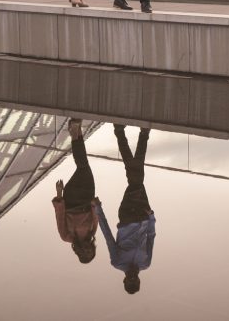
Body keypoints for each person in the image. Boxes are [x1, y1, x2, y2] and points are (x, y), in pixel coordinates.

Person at [93, 125, 155, 294]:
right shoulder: (146, 262)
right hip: (144, 214)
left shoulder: (117, 261)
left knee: (136, 179)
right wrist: (152, 218)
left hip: (127, 215)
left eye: (130, 279)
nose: (133, 275)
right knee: (136, 178)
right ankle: (124, 131)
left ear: (124, 279)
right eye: (135, 279)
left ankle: (141, 133)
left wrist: (98, 209)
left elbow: (108, 236)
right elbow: (151, 236)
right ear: (139, 279)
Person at [52, 118, 97, 264]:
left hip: (71, 198)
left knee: (83, 165)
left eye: (85, 253)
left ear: (79, 252)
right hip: (87, 196)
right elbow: (95, 214)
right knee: (83, 165)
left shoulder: (66, 236)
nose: (87, 250)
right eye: (90, 251)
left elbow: (60, 216)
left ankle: (75, 131)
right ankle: (75, 132)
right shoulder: (92, 232)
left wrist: (59, 194)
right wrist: (96, 205)